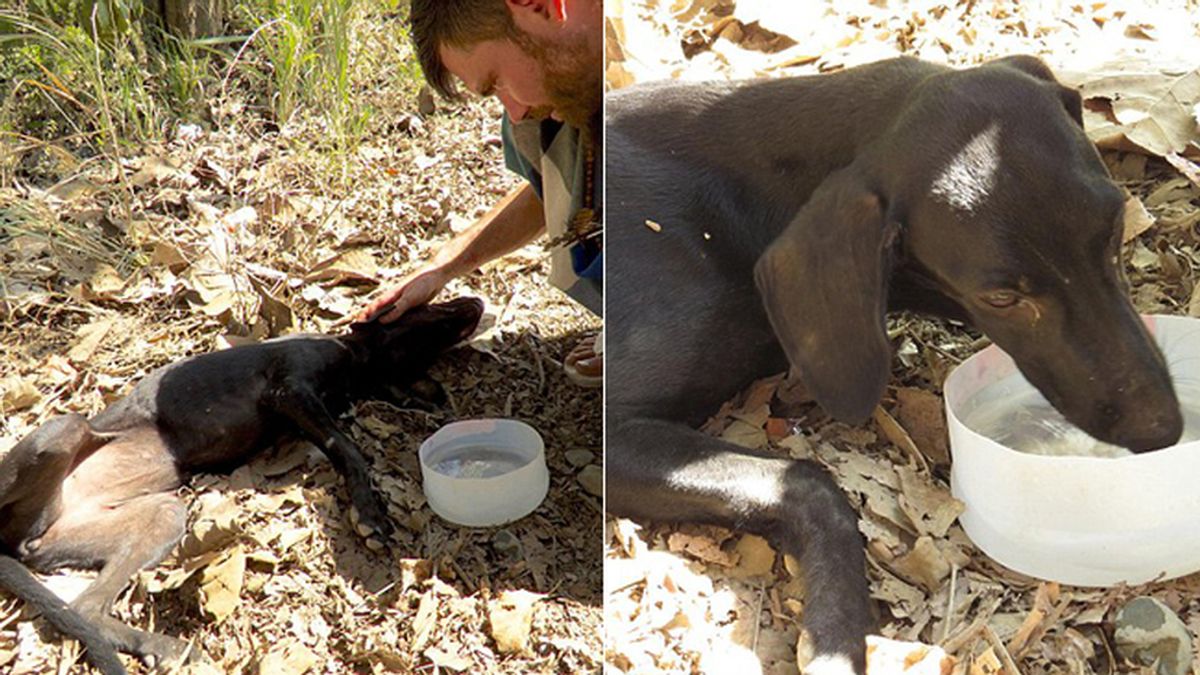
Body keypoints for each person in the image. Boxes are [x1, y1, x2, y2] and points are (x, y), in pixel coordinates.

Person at [359, 0, 603, 385]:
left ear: (541, 6)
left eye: (497, 81)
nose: (515, 111)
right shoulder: (553, 98)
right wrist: (443, 266)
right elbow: (552, 193)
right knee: (533, 126)